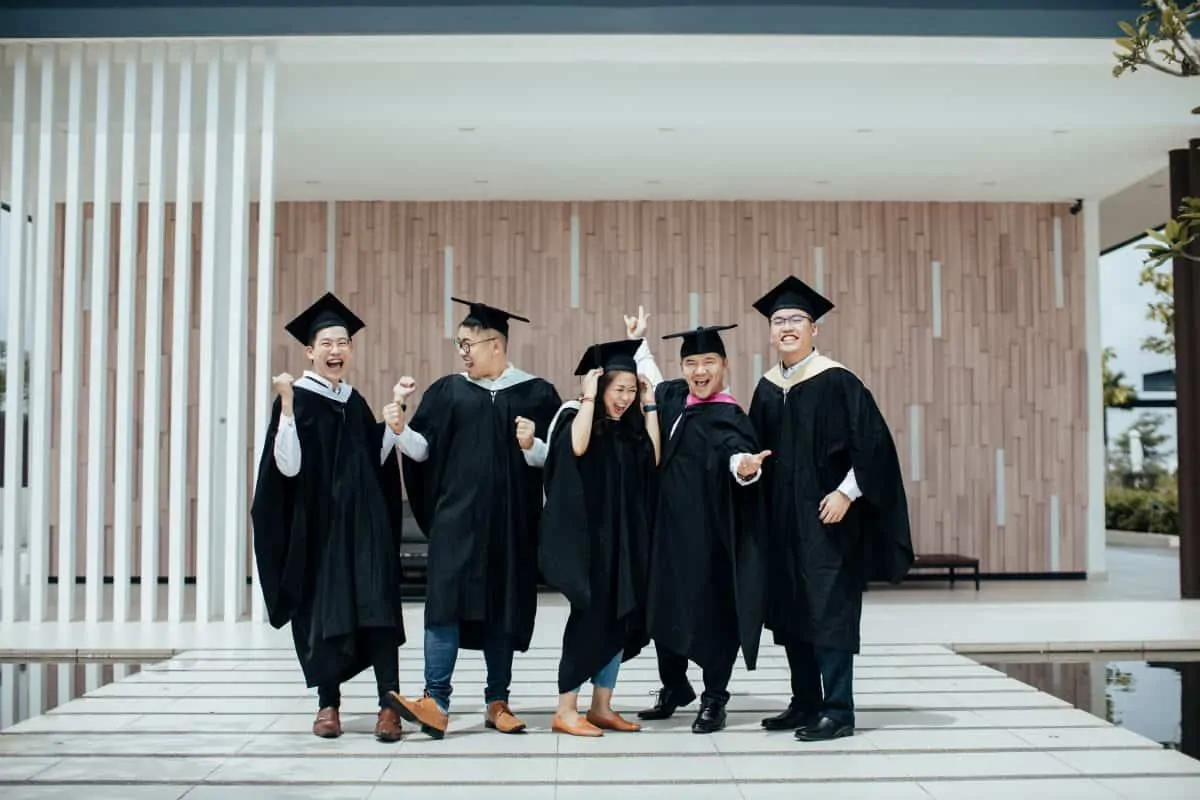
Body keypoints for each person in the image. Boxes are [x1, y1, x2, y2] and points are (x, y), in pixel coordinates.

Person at [386, 297, 562, 739]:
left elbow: (559, 461)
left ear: (496, 345)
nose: (462, 351)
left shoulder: (537, 393)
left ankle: (497, 702)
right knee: (444, 605)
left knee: (502, 608)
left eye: (469, 343)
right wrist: (400, 430)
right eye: (459, 343)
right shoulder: (447, 390)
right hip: (455, 523)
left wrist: (532, 446)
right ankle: (435, 701)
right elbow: (423, 451)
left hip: (511, 525)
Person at [747, 275, 914, 742]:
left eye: (796, 319)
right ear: (770, 331)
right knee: (791, 610)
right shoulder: (765, 389)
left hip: (827, 520)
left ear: (814, 328)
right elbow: (754, 450)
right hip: (782, 521)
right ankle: (805, 703)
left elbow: (874, 445)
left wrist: (847, 492)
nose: (786, 327)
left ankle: (839, 710)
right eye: (779, 320)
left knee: (828, 610)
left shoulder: (839, 380)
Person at [250, 292, 407, 742]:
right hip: (322, 533)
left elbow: (372, 462)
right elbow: (288, 467)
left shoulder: (354, 401)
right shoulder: (299, 399)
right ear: (310, 351)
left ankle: (389, 706)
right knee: (326, 616)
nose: (336, 351)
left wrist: (391, 425)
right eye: (327, 344)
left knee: (378, 611)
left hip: (365, 532)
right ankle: (328, 705)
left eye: (343, 343)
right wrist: (284, 406)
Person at [637, 323, 770, 734]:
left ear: (725, 365)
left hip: (710, 539)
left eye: (708, 362)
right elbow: (651, 377)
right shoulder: (676, 397)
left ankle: (715, 699)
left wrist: (745, 468)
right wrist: (640, 339)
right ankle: (675, 686)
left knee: (714, 618)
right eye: (691, 362)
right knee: (661, 611)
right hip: (667, 535)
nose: (699, 370)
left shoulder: (729, 415)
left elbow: (736, 456)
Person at [539, 336, 661, 737]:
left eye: (630, 389)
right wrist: (588, 397)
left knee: (619, 619)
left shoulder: (627, 430)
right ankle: (565, 708)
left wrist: (650, 402)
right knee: (588, 621)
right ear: (601, 386)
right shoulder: (578, 416)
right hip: (588, 544)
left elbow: (653, 457)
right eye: (618, 389)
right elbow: (576, 448)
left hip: (622, 544)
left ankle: (601, 706)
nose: (624, 398)